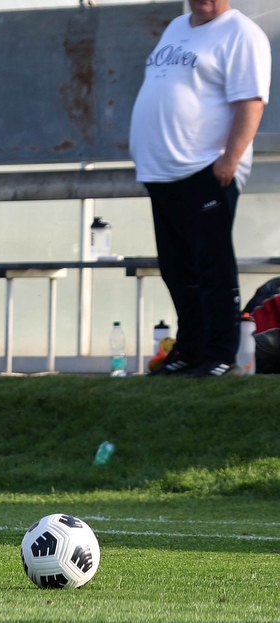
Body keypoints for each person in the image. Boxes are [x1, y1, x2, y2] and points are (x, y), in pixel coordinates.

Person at [129, 0, 271, 378]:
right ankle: (189, 350)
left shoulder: (241, 33)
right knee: (178, 269)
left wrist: (228, 161)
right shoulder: (177, 27)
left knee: (212, 267)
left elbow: (251, 102)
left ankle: (220, 355)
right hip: (162, 171)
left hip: (205, 169)